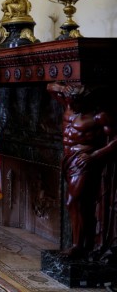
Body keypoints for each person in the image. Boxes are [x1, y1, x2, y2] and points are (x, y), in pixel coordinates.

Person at [48, 83, 116, 258]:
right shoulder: (69, 106)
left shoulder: (98, 116)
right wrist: (66, 90)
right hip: (67, 160)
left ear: (85, 102)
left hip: (83, 161)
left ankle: (77, 245)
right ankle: (80, 243)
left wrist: (94, 155)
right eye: (71, 101)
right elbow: (49, 87)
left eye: (76, 102)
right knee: (76, 202)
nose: (72, 105)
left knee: (73, 201)